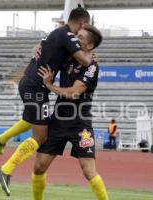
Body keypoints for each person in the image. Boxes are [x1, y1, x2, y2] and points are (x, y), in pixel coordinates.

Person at [0, 5, 94, 196]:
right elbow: (85, 61)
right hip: (36, 88)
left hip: (35, 86)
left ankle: (1, 141)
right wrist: (91, 56)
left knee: (35, 123)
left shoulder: (58, 33)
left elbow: (43, 45)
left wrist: (38, 46)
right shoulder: (68, 35)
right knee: (41, 136)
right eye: (85, 27)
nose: (84, 32)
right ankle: (5, 170)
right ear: (82, 23)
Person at [32, 37, 108, 200]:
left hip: (80, 124)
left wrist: (50, 85)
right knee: (39, 167)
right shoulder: (67, 57)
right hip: (58, 121)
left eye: (80, 39)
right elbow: (52, 40)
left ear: (89, 45)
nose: (75, 41)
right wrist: (39, 44)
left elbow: (74, 93)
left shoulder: (92, 66)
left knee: (88, 171)